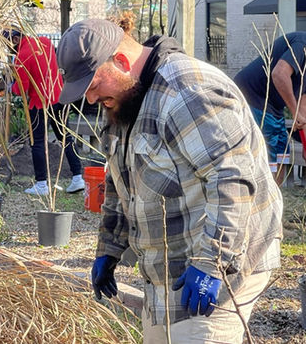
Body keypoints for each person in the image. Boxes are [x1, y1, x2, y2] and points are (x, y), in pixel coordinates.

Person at [56, 18, 283, 343]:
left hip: (223, 261)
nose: (90, 99)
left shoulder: (187, 92)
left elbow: (233, 176)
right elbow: (124, 179)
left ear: (120, 61)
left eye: (93, 85)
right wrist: (110, 247)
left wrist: (212, 263)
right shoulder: (128, 98)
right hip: (169, 267)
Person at [5, 27, 84, 195]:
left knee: (38, 142)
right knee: (65, 137)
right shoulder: (45, 42)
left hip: (39, 103)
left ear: (16, 39)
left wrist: (9, 86)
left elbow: (21, 89)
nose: (9, 47)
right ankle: (78, 177)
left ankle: (42, 184)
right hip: (60, 97)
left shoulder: (21, 57)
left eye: (8, 43)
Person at [234, 31, 306, 184]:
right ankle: (261, 201)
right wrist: (294, 112)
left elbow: (303, 107)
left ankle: (273, 200)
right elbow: (279, 74)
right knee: (267, 153)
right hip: (252, 96)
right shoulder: (302, 44)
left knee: (282, 152)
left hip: (273, 107)